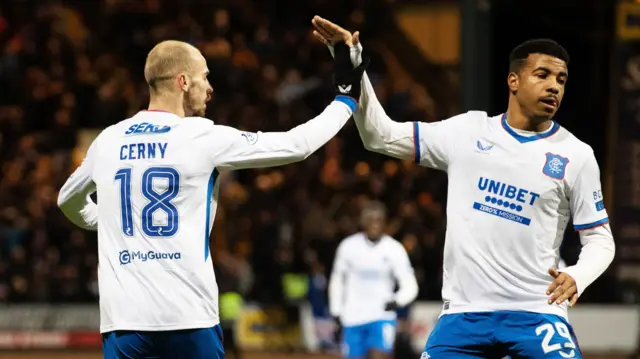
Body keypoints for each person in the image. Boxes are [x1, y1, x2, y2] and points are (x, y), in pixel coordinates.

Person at [312, 16, 615, 358]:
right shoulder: (467, 132)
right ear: (513, 80)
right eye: (542, 75)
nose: (554, 87)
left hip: (537, 312)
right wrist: (353, 66)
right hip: (462, 317)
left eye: (561, 79)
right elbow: (379, 136)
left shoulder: (576, 154)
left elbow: (600, 240)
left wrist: (578, 275)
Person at [56, 39, 368, 359]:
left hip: (123, 321)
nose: (210, 88)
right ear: (183, 81)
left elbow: (67, 200)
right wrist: (345, 98)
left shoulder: (108, 140)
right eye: (204, 76)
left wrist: (109, 221)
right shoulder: (202, 138)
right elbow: (296, 145)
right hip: (188, 318)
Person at [329, 201, 419, 359]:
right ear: (363, 222)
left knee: (380, 356)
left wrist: (397, 301)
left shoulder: (394, 249)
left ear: (385, 222)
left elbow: (409, 284)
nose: (375, 224)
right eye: (370, 219)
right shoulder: (348, 247)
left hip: (381, 316)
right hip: (352, 317)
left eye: (379, 220)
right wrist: (336, 310)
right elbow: (337, 280)